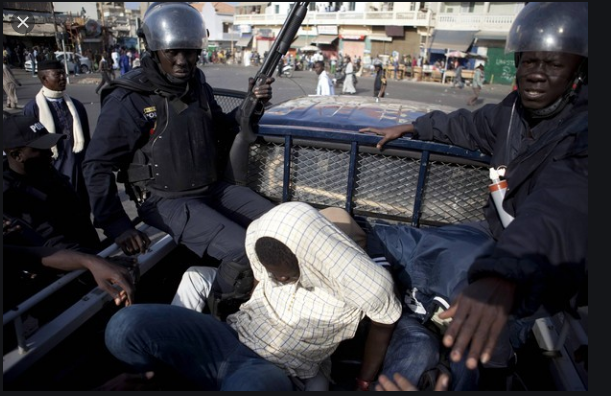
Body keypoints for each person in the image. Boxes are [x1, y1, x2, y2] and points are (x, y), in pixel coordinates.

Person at [359, 2, 587, 390]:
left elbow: (559, 209)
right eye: (528, 62)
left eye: (552, 65)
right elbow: (467, 125)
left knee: (474, 348)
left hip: (538, 266)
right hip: (487, 240)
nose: (535, 74)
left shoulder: (585, 131)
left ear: (578, 73)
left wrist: (505, 273)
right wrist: (415, 127)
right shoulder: (512, 112)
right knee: (380, 237)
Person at [82, 2, 276, 320]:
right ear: (155, 49)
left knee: (282, 223)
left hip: (211, 189)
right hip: (165, 200)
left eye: (190, 52)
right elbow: (96, 165)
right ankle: (222, 320)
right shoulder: (131, 98)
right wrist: (118, 225)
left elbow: (222, 127)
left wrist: (253, 103)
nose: (183, 61)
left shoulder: (196, 85)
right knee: (240, 251)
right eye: (173, 52)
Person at [101, 202, 402, 391]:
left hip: (274, 368)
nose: (278, 279)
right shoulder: (265, 234)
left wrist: (365, 379)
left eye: (284, 274)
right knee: (124, 326)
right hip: (229, 337)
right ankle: (157, 379)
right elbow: (259, 284)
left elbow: (383, 328)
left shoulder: (366, 283)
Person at [3, 115, 136, 310]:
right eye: (39, 149)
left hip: (88, 262)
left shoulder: (43, 170)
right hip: (57, 287)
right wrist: (98, 261)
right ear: (17, 155)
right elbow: (47, 243)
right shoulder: (10, 195)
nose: (50, 153)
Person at [23, 59, 91, 212]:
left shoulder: (77, 106)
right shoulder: (32, 109)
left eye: (63, 74)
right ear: (44, 78)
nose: (62, 78)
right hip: (52, 175)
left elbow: (87, 140)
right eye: (57, 74)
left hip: (78, 172)